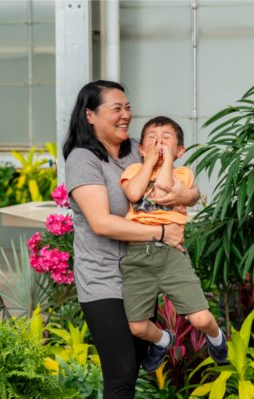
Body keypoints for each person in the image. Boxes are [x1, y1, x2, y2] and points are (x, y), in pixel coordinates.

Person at [63, 81, 199, 399]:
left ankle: (160, 341)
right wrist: (163, 233)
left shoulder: (140, 149)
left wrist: (189, 196)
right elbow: (101, 223)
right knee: (122, 372)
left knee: (134, 366)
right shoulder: (83, 160)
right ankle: (161, 341)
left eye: (127, 107)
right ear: (90, 115)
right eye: (116, 108)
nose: (126, 115)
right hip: (102, 278)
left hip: (141, 273)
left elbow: (182, 186)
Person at [119, 116, 228, 373]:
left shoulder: (182, 174)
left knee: (200, 318)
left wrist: (166, 160)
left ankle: (216, 337)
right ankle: (164, 340)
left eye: (166, 137)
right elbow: (134, 194)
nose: (159, 141)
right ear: (141, 148)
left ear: (180, 151)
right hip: (136, 255)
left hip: (171, 254)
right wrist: (148, 163)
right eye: (152, 137)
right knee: (137, 326)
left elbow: (164, 189)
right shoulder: (133, 171)